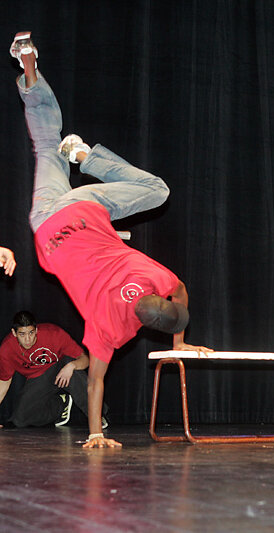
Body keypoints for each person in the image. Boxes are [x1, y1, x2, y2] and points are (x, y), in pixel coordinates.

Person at [11, 32, 208, 448]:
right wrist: (95, 433)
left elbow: (180, 291)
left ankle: (85, 156)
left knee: (157, 190)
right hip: (47, 225)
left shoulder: (151, 276)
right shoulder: (109, 327)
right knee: (44, 145)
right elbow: (95, 380)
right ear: (145, 327)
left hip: (84, 208)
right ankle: (29, 70)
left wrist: (182, 339)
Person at [0, 310, 107, 429]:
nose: (28, 339)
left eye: (31, 333)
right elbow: (3, 383)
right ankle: (60, 405)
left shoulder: (54, 334)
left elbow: (85, 359)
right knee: (20, 419)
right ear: (14, 333)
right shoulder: (7, 348)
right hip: (37, 378)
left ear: (36, 330)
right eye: (22, 334)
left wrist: (72, 366)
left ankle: (97, 416)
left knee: (72, 366)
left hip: (60, 368)